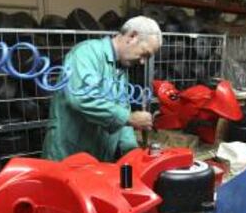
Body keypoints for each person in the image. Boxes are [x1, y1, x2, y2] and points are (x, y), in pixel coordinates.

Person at [42, 16, 162, 161]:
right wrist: (129, 118)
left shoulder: (121, 69)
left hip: (96, 160)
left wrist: (132, 153)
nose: (143, 62)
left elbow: (123, 111)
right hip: (68, 156)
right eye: (145, 54)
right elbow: (81, 98)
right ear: (132, 36)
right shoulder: (86, 53)